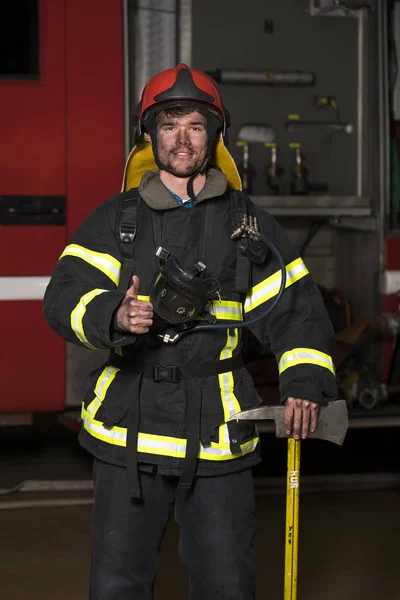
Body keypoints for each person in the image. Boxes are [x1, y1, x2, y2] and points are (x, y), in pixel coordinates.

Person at [43, 64, 337, 600]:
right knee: (117, 585)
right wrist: (113, 314)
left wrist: (304, 388)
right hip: (126, 430)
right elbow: (63, 296)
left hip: (218, 435)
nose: (182, 139)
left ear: (214, 135)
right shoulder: (117, 220)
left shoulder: (250, 225)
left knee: (227, 583)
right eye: (170, 124)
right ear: (150, 135)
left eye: (195, 125)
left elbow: (298, 314)